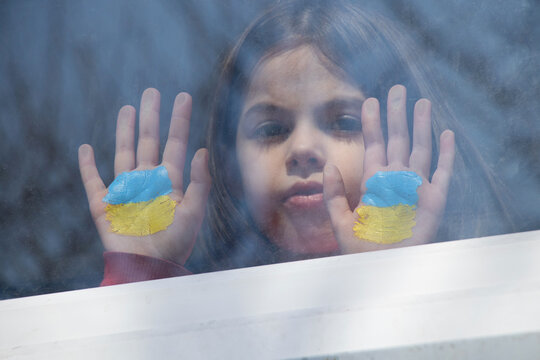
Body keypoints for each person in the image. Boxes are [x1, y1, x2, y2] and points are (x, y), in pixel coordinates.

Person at [78, 0, 515, 285]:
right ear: (230, 171)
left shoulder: (480, 289)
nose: (303, 147)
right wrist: (140, 275)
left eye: (343, 122)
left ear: (403, 140)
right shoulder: (206, 312)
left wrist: (391, 275)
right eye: (271, 130)